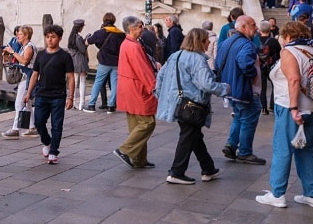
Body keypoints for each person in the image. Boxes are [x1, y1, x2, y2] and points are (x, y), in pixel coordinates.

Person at [256, 21, 313, 209]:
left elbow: (294, 79)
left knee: (283, 149)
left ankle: (277, 193)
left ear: (287, 36)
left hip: (290, 106)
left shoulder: (290, 52)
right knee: (305, 150)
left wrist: (294, 108)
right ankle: (312, 194)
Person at [156, 27, 228, 184]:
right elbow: (206, 84)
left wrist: (162, 96)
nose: (209, 42)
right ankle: (176, 172)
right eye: (206, 39)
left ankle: (208, 169)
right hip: (192, 104)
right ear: (200, 41)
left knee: (194, 135)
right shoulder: (198, 59)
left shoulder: (175, 55)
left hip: (177, 103)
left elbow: (160, 76)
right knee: (188, 136)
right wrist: (224, 88)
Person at [216, 15, 265, 165]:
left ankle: (231, 145)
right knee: (249, 118)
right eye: (253, 24)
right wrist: (253, 74)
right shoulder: (246, 44)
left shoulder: (226, 42)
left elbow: (218, 63)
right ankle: (244, 152)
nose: (256, 28)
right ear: (243, 27)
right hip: (244, 89)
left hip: (231, 88)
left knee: (239, 116)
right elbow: (245, 63)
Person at [24, 24, 75, 164]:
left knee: (57, 125)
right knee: (39, 122)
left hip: (58, 95)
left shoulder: (65, 56)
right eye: (47, 37)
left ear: (59, 38)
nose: (50, 40)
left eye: (53, 37)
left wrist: (71, 97)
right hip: (41, 94)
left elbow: (70, 77)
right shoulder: (40, 54)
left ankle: (54, 151)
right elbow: (35, 75)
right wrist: (28, 92)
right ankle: (47, 142)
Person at [113, 16, 158, 169]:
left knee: (136, 124)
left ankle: (139, 160)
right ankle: (125, 150)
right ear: (131, 29)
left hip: (128, 88)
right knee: (147, 123)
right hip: (137, 89)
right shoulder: (134, 46)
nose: (142, 29)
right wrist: (154, 86)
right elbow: (143, 71)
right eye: (140, 26)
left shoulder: (127, 44)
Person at [0, 26, 38, 138]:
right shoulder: (23, 47)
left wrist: (12, 51)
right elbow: (18, 59)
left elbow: (25, 61)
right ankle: (32, 127)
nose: (18, 36)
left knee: (19, 103)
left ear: (26, 35)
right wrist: (8, 54)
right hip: (25, 77)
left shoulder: (29, 47)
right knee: (27, 102)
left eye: (20, 34)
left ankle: (15, 129)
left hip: (28, 77)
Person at [85, 13, 125, 111]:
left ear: (104, 20)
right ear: (114, 21)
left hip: (104, 62)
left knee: (98, 82)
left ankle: (91, 105)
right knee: (114, 84)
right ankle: (111, 106)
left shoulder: (100, 33)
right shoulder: (120, 34)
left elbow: (88, 42)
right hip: (116, 62)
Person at [67, 19, 90, 111]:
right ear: (80, 27)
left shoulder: (71, 37)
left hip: (73, 60)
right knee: (83, 81)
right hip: (80, 60)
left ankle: (74, 102)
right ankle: (81, 103)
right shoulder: (78, 37)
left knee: (74, 82)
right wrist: (86, 42)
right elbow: (83, 49)